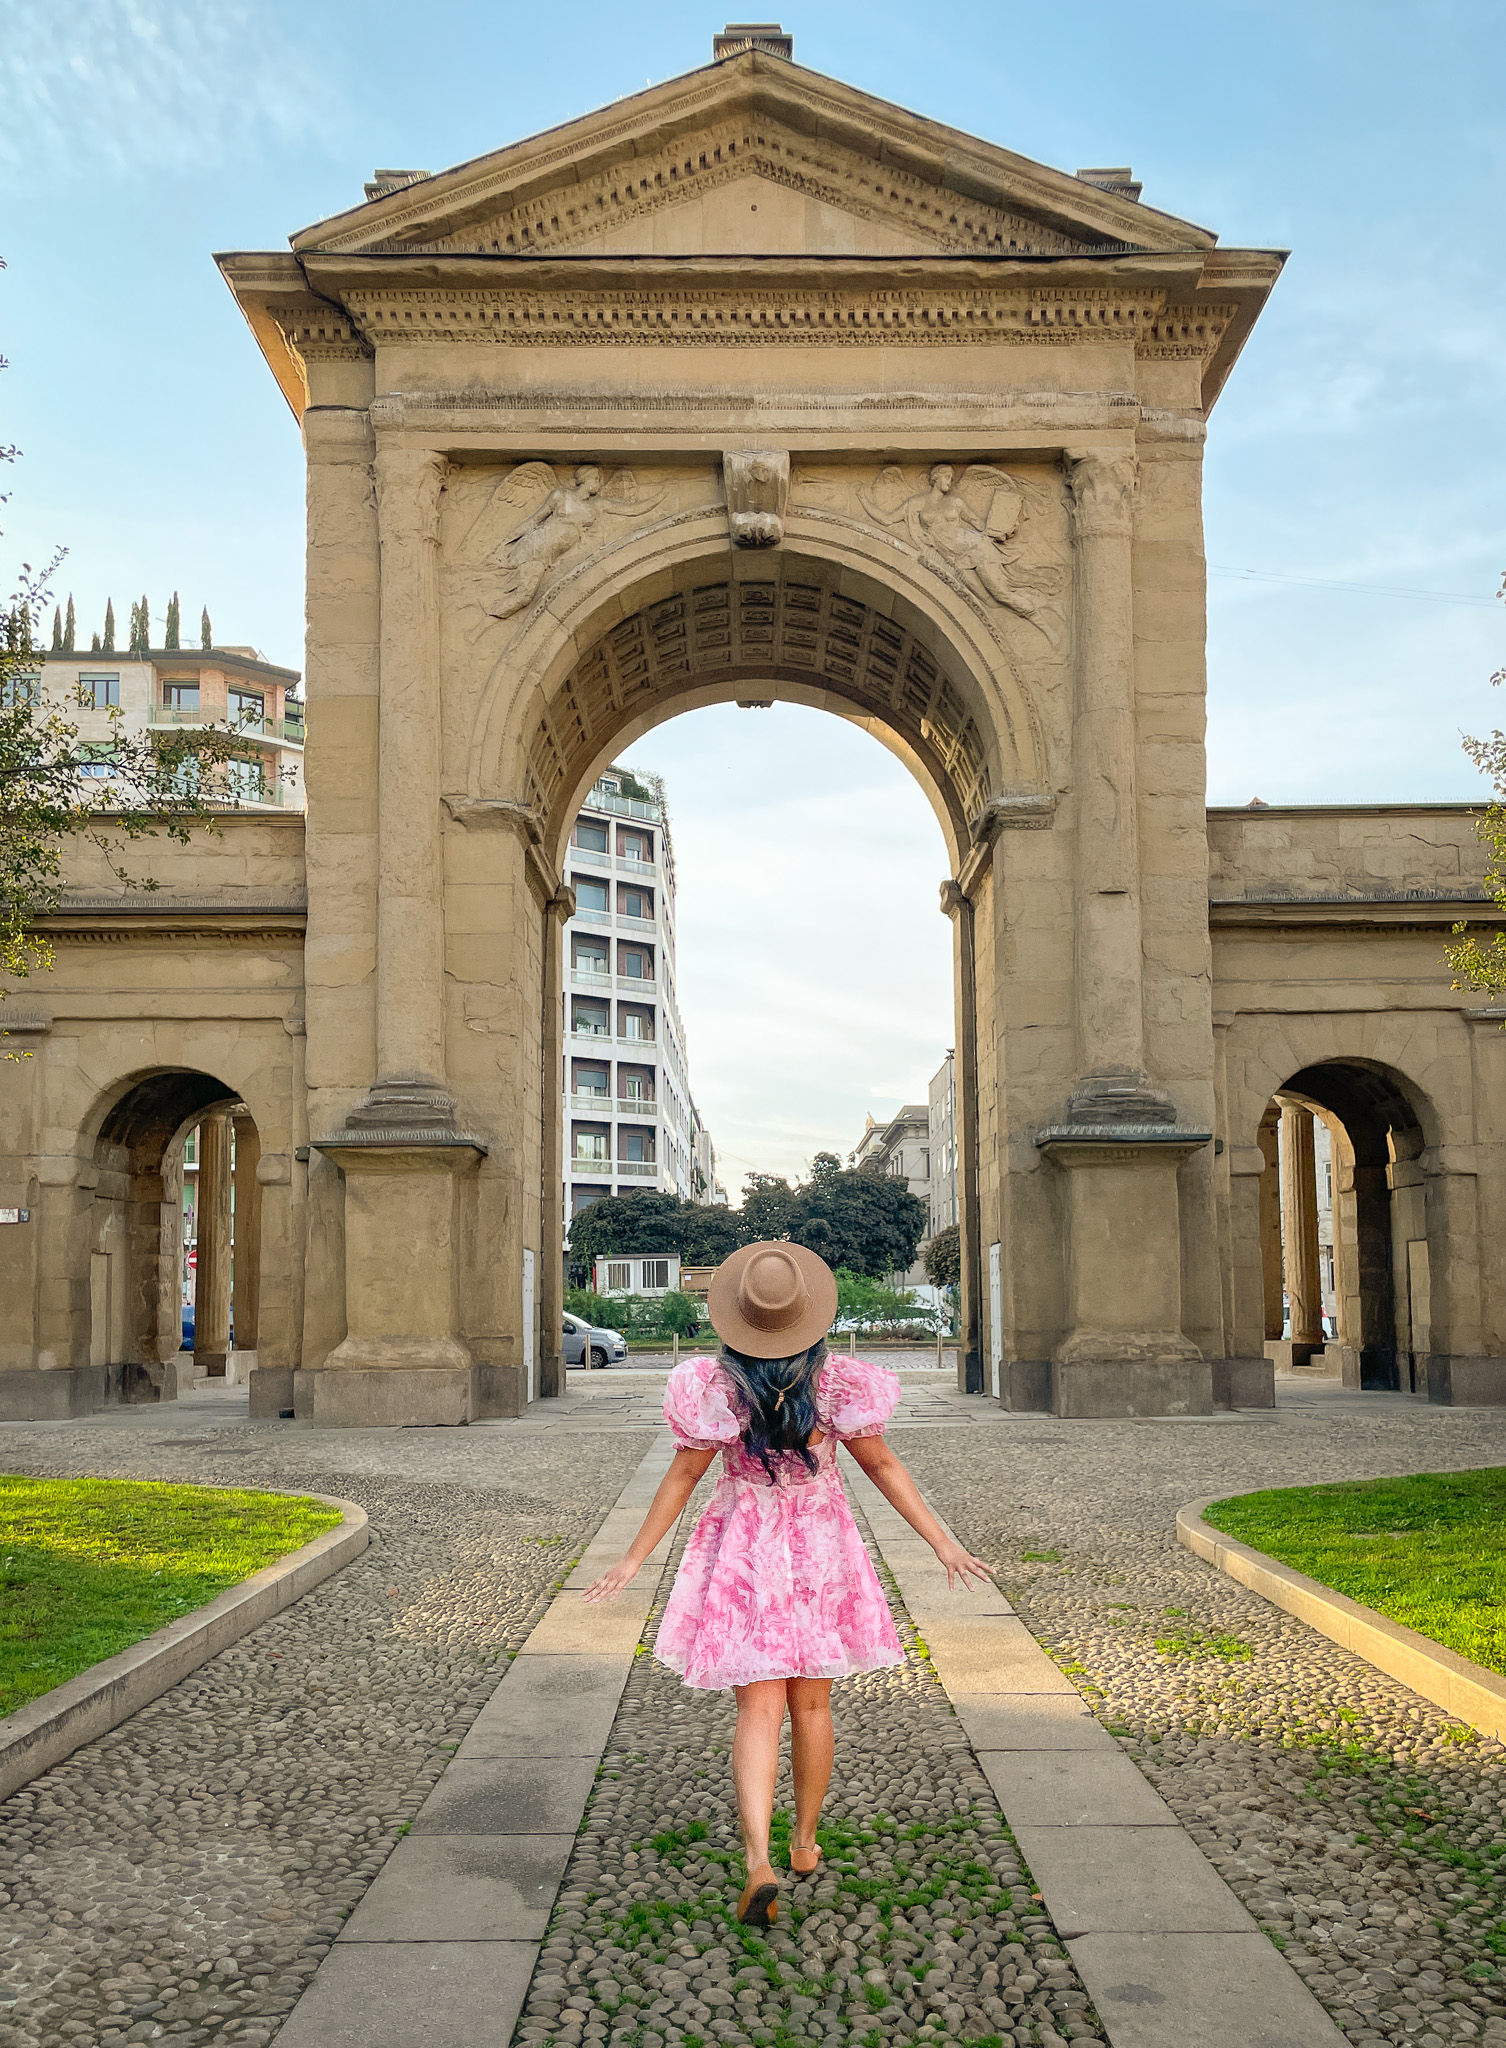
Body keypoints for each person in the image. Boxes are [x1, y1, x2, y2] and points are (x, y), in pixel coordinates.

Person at [583, 1240, 991, 1929]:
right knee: (812, 1709)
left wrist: (633, 1559)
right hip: (821, 1551)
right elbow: (883, 1468)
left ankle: (756, 1862)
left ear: (736, 1315)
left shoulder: (712, 1387)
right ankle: (803, 1844)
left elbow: (682, 1478)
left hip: (745, 1549)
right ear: (810, 1313)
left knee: (757, 1711)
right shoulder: (837, 1385)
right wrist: (943, 1542)